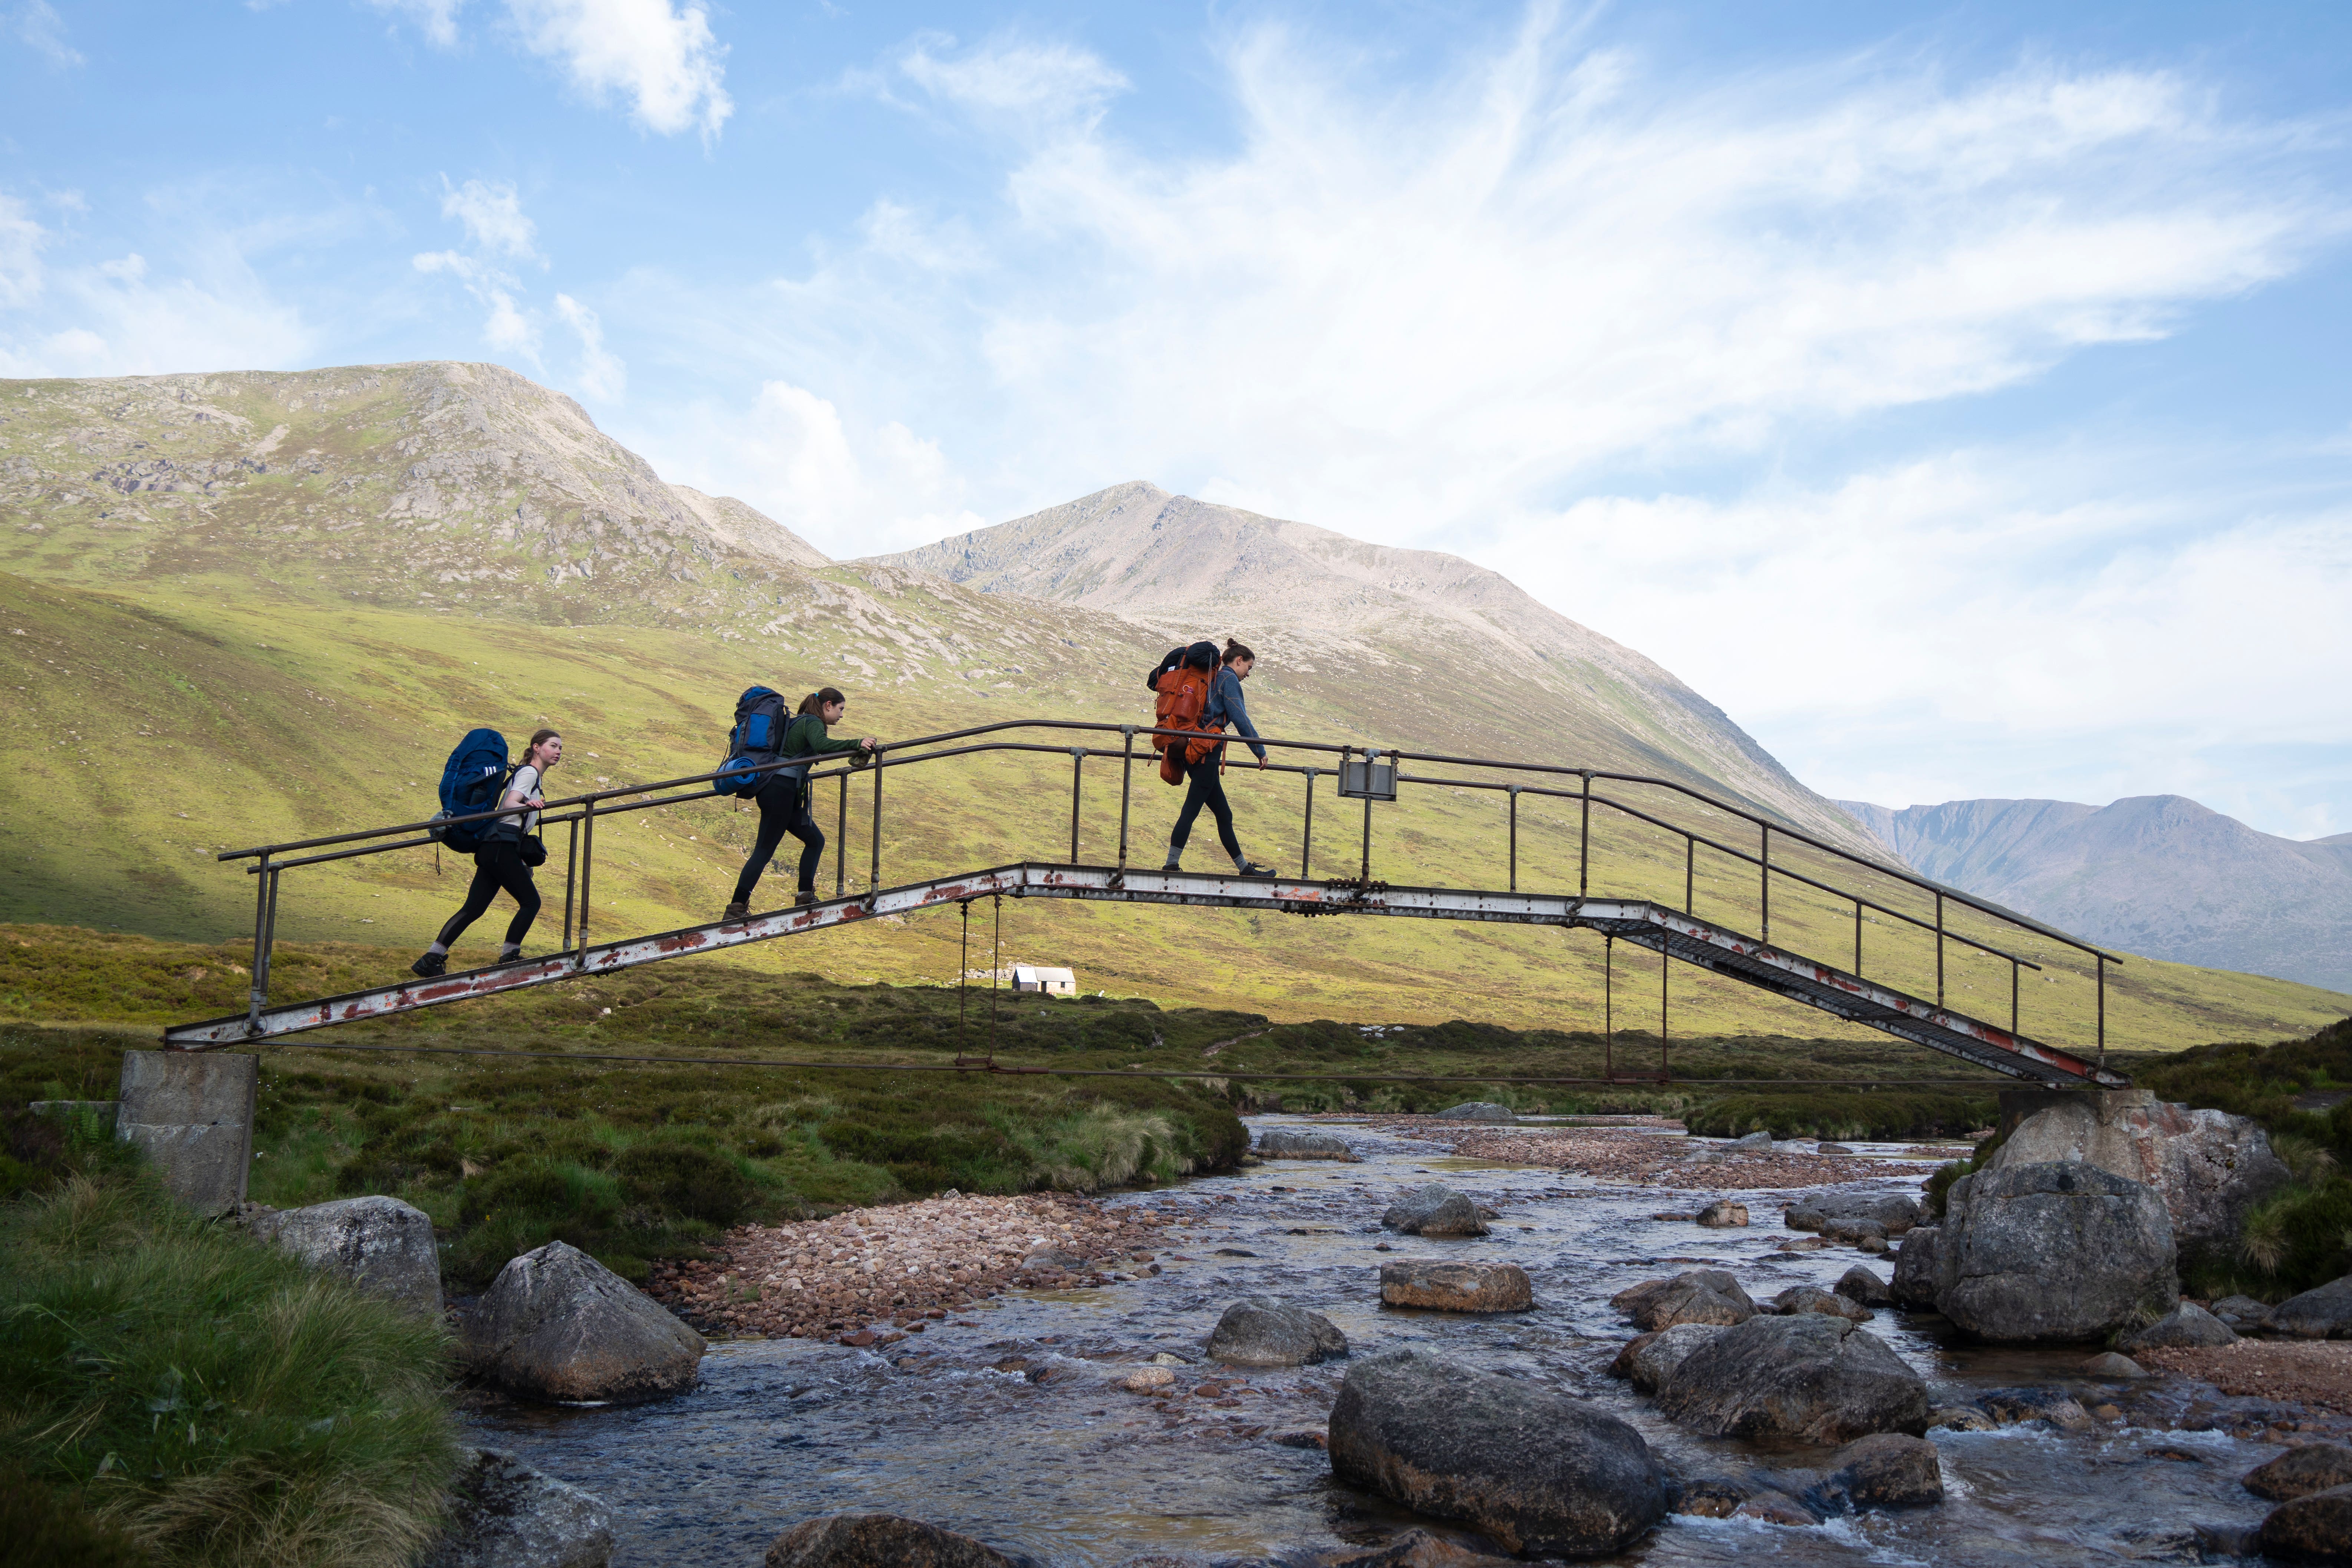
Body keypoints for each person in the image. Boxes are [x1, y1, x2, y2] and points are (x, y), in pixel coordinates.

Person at [412, 728, 560, 976]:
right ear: (537, 747)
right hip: (500, 846)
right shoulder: (530, 772)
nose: (558, 752)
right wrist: (527, 804)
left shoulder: (530, 774)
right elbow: (511, 803)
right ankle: (509, 957)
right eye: (554, 746)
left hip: (495, 847)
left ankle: (431, 958)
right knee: (531, 902)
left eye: (560, 748)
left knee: (474, 908)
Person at [724, 686, 876, 919]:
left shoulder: (801, 722)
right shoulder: (812, 722)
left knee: (815, 840)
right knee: (764, 852)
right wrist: (859, 743)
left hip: (781, 792)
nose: (842, 715)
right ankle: (736, 908)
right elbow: (822, 746)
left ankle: (805, 894)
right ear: (828, 705)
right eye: (841, 709)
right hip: (780, 792)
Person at [1166, 639, 1278, 877]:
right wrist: (1260, 751)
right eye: (1249, 668)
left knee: (1224, 815)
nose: (1248, 674)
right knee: (1191, 810)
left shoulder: (1212, 676)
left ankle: (1245, 868)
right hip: (1207, 751)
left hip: (1193, 748)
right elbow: (1240, 718)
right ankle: (1171, 865)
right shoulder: (1228, 679)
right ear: (1239, 661)